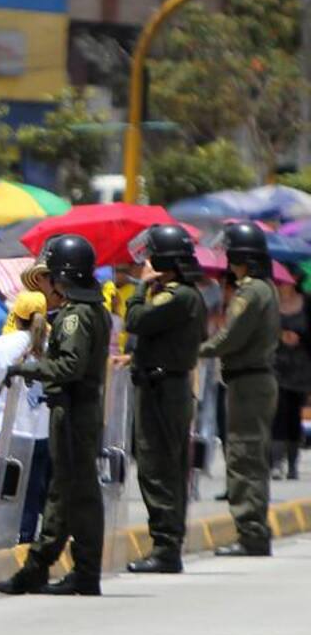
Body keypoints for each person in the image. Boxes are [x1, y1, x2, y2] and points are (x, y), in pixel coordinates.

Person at [0, 234, 110, 597]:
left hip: (74, 410)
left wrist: (28, 368)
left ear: (63, 276)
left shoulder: (76, 317)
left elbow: (70, 366)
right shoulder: (90, 311)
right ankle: (42, 567)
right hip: (76, 410)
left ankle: (75, 570)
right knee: (66, 493)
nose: (45, 286)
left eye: (48, 277)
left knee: (78, 494)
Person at [122, 225, 208, 573]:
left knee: (158, 467)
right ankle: (166, 544)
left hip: (163, 389)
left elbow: (135, 320)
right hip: (162, 385)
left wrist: (139, 288)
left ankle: (166, 547)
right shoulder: (180, 294)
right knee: (160, 466)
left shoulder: (179, 296)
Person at [199, 221, 281, 557]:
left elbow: (231, 337)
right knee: (250, 455)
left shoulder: (251, 292)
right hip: (253, 380)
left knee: (244, 455)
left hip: (249, 382)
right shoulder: (263, 288)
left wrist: (197, 350)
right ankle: (253, 531)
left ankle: (251, 532)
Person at [0, 291, 50, 547]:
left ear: (16, 317)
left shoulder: (4, 343)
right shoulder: (52, 345)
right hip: (40, 431)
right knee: (32, 491)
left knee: (2, 490)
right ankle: (25, 541)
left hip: (4, 429)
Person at [270, 278, 311, 480]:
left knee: (294, 414)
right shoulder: (271, 302)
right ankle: (276, 461)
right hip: (275, 366)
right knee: (278, 412)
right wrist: (280, 334)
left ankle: (293, 463)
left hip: (300, 368)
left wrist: (300, 337)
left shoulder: (307, 303)